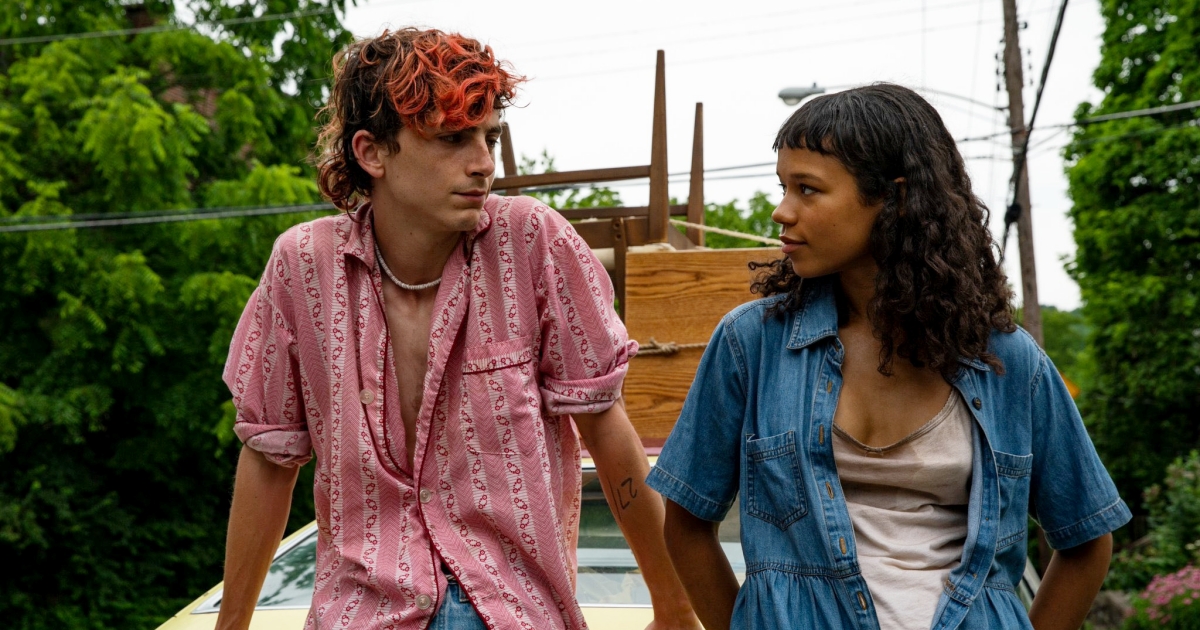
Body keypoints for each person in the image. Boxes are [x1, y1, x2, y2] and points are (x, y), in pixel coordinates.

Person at [216, 28, 698, 630]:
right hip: (363, 611)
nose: (484, 163)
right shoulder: (303, 268)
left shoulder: (532, 242)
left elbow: (605, 428)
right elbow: (269, 458)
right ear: (372, 153)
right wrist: (231, 625)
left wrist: (675, 608)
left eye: (488, 136)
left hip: (514, 611)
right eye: (452, 138)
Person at [647, 84, 1131, 630]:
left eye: (808, 189)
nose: (782, 211)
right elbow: (686, 521)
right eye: (783, 187)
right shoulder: (752, 344)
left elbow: (1086, 538)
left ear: (895, 199)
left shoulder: (1006, 361)